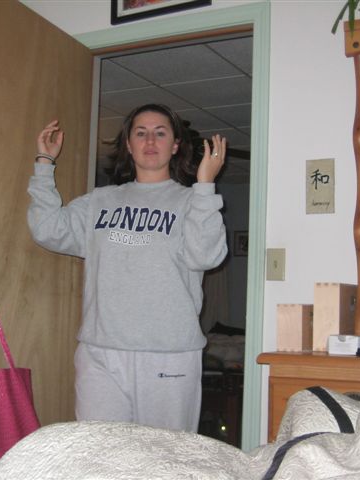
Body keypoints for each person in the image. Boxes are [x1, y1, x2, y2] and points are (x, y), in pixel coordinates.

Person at [27, 103, 228, 433]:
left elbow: (205, 256)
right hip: (100, 353)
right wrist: (44, 164)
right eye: (141, 133)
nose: (150, 140)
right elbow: (48, 229)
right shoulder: (100, 201)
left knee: (162, 455)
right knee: (100, 452)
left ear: (175, 145)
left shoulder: (191, 201)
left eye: (160, 133)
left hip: (168, 353)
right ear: (129, 145)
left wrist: (205, 186)